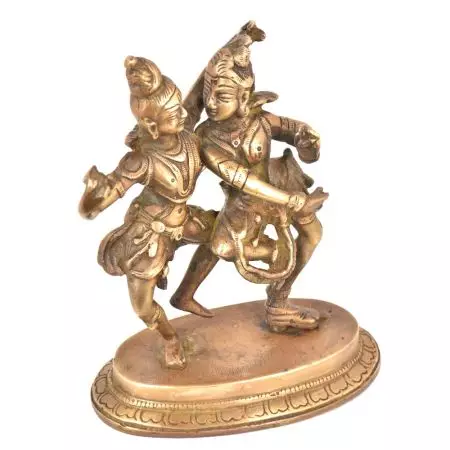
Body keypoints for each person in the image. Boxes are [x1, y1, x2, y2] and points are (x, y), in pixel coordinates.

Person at [170, 22, 328, 332]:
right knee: (227, 248)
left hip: (279, 181)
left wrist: (308, 143)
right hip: (246, 204)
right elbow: (241, 179)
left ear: (244, 98)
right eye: (208, 94)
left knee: (313, 234)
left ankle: (278, 301)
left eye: (222, 96)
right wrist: (291, 201)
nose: (211, 103)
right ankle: (185, 290)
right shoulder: (206, 139)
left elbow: (297, 135)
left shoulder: (262, 121)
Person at [79, 56, 216, 368]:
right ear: (152, 126)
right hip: (149, 234)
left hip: (185, 219)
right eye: (174, 113)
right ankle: (169, 338)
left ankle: (185, 293)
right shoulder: (140, 160)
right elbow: (95, 207)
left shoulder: (188, 138)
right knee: (142, 307)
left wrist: (237, 44)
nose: (184, 114)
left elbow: (199, 92)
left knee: (224, 237)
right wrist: (90, 196)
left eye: (180, 107)